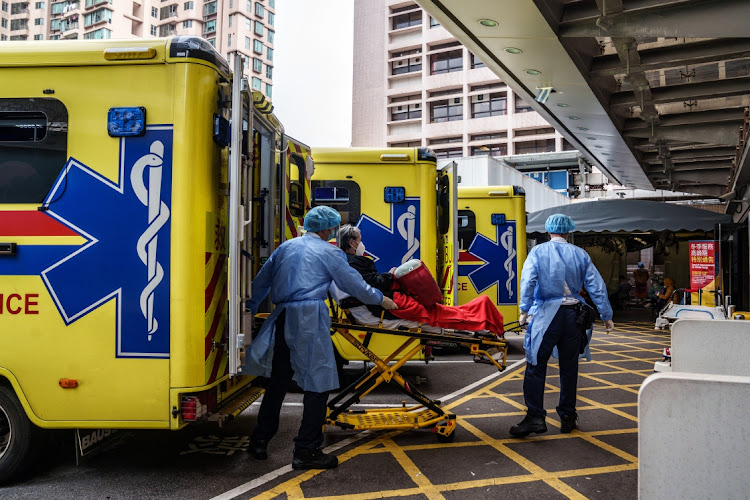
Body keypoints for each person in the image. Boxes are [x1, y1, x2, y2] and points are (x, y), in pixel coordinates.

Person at [244, 206, 398, 470]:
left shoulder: (286, 248)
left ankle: (259, 441)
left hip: (282, 316)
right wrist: (379, 299)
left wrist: (248, 312)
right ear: (327, 229)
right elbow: (353, 284)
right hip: (308, 317)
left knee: (277, 382)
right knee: (318, 383)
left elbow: (261, 282)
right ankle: (306, 450)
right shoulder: (330, 252)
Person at [510, 214, 614, 438]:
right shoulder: (580, 254)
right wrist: (606, 315)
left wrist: (524, 310)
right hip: (574, 317)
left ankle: (535, 418)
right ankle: (567, 417)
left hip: (547, 316)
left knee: (536, 365)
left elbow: (528, 280)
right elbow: (596, 285)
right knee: (569, 367)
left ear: (548, 231)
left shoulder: (538, 252)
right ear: (568, 231)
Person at [335, 224, 504, 336]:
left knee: (436, 311)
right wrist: (391, 275)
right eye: (359, 240)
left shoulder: (347, 262)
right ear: (352, 243)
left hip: (380, 304)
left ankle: (479, 313)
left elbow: (369, 282)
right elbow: (374, 283)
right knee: (433, 314)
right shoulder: (354, 263)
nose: (362, 243)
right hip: (383, 307)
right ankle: (480, 319)